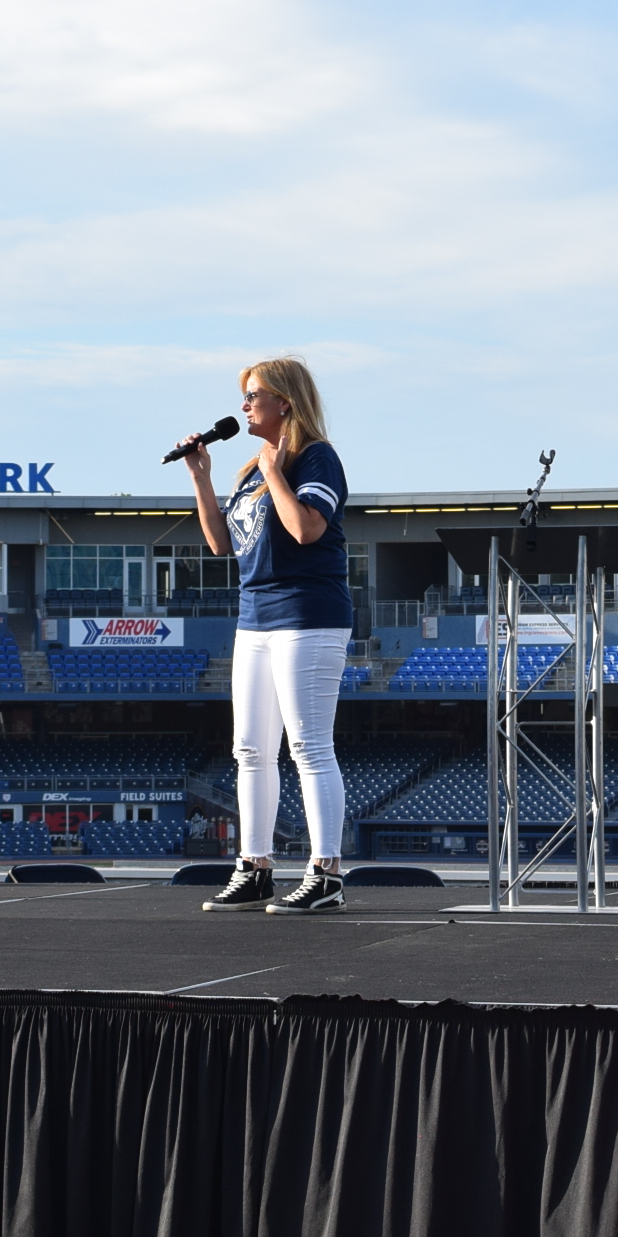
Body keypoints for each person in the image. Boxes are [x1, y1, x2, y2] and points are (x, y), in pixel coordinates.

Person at [180, 355, 352, 914]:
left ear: (286, 401)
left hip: (308, 613)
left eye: (254, 395)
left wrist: (277, 473)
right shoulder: (251, 469)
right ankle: (254, 867)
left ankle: (326, 872)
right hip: (255, 617)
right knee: (250, 748)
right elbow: (220, 545)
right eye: (245, 395)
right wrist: (203, 479)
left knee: (308, 745)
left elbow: (305, 529)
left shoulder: (315, 457)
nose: (244, 405)